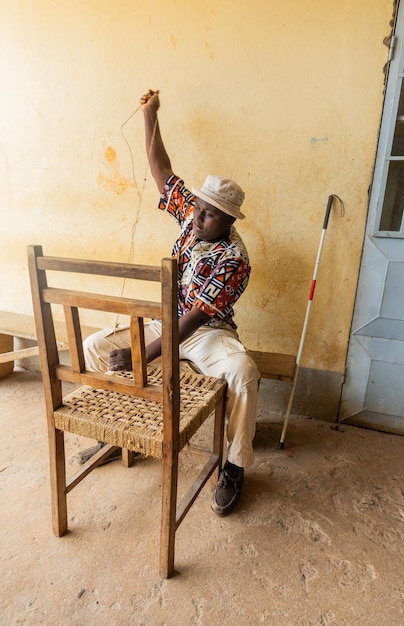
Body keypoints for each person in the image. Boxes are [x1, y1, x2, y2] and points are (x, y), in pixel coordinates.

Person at [79, 89, 260, 516]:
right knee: (94, 347)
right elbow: (161, 168)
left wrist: (142, 354)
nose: (196, 218)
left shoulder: (234, 259)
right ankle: (122, 434)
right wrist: (150, 114)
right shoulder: (191, 219)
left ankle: (234, 467)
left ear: (229, 221)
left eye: (209, 214)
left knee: (244, 373)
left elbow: (196, 319)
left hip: (206, 333)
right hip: (168, 321)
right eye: (196, 208)